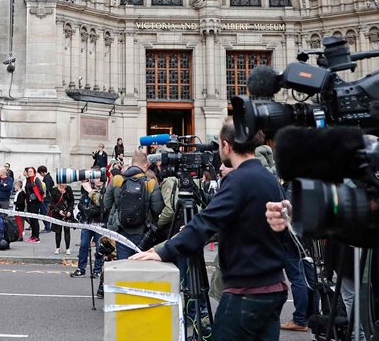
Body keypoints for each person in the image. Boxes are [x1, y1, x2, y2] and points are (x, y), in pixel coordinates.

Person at [133, 120, 289, 341]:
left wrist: (164, 251)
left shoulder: (238, 179)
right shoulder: (269, 178)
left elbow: (207, 221)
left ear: (226, 146)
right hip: (274, 287)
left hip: (247, 290)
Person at [101, 146, 163, 260]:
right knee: (141, 268)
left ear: (132, 164)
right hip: (143, 234)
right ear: (145, 166)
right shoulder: (151, 184)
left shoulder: (117, 180)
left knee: (124, 267)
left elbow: (107, 203)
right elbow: (157, 209)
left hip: (122, 231)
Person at [71, 177, 106, 278]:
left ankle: (97, 270)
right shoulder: (86, 190)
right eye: (95, 178)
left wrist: (91, 211)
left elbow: (102, 206)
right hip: (87, 222)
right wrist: (84, 210)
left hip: (99, 224)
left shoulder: (105, 190)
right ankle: (81, 269)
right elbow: (81, 203)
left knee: (100, 248)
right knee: (83, 246)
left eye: (100, 178)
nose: (98, 180)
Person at [49, 181, 75, 255]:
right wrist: (58, 210)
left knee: (67, 230)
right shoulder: (54, 190)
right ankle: (57, 248)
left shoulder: (69, 189)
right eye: (63, 183)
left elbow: (72, 201)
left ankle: (67, 248)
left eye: (65, 183)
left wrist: (70, 211)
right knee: (58, 231)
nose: (64, 185)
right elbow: (52, 202)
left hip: (67, 212)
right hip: (58, 213)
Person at [22, 167, 45, 242]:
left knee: (35, 219)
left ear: (34, 172)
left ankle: (37, 237)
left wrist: (34, 196)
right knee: (31, 219)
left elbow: (41, 190)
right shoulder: (28, 180)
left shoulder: (36, 179)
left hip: (35, 202)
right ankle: (33, 236)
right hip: (29, 202)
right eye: (29, 171)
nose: (30, 173)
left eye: (31, 171)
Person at [37, 165, 55, 232]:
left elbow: (46, 188)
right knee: (44, 212)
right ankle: (47, 227)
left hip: (46, 198)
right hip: (47, 197)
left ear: (42, 172)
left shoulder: (46, 178)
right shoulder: (49, 177)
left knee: (44, 212)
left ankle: (47, 227)